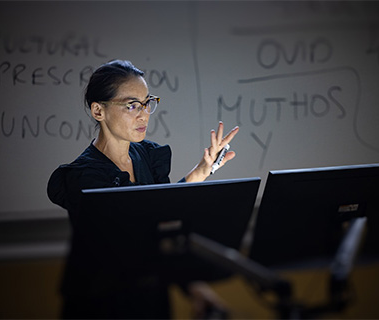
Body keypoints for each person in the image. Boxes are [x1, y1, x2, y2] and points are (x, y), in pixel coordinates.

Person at [47, 60, 239, 319]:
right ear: (98, 111)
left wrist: (203, 169)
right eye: (131, 105)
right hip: (101, 302)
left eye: (147, 103)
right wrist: (191, 284)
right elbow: (136, 239)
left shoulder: (147, 155)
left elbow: (163, 215)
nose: (144, 114)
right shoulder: (83, 176)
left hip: (151, 296)